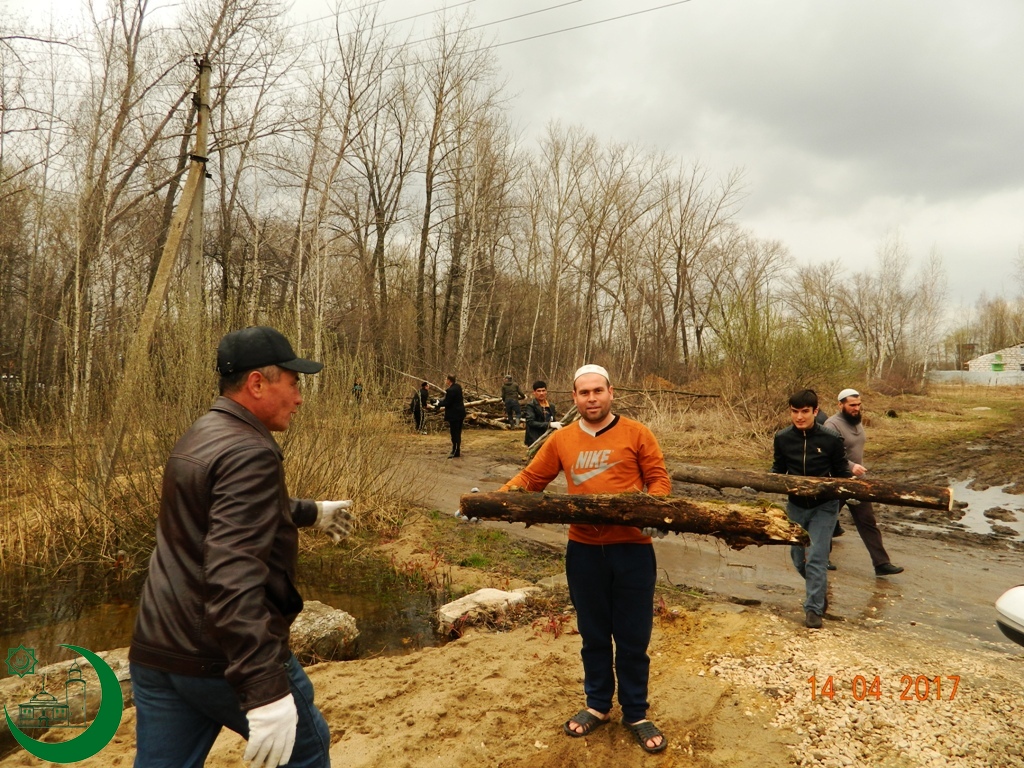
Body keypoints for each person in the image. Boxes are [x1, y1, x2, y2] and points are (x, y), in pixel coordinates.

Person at [129, 326, 355, 768]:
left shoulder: (203, 433)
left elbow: (221, 512)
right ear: (257, 383)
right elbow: (233, 576)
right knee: (306, 751)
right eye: (293, 384)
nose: (299, 398)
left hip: (158, 651)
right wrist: (267, 690)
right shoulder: (250, 451)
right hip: (218, 660)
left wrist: (311, 512)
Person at [499, 364, 670, 754]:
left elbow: (658, 478)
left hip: (633, 550)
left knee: (632, 637)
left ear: (611, 392)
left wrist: (656, 511)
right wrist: (491, 500)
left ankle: (636, 712)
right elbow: (530, 479)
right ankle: (597, 705)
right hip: (584, 551)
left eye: (597, 391)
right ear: (574, 399)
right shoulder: (563, 440)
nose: (591, 398)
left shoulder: (637, 433)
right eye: (584, 393)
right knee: (593, 635)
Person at [771, 388, 851, 629]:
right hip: (795, 506)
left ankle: (813, 609)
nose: (799, 417)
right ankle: (818, 591)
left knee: (816, 557)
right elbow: (777, 470)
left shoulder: (831, 439)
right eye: (795, 412)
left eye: (805, 411)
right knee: (798, 559)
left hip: (824, 507)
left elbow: (843, 474)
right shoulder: (782, 438)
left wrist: (850, 494)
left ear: (816, 411)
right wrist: (757, 484)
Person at [824, 388, 904, 576]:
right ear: (840, 405)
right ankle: (819, 558)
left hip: (858, 482)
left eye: (858, 404)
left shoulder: (856, 422)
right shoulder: (831, 425)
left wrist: (857, 470)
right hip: (837, 481)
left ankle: (881, 564)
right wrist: (850, 466)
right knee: (826, 521)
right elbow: (830, 454)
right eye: (852, 405)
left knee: (868, 522)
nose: (856, 408)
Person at [522, 380, 561, 446]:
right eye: (539, 391)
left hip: (548, 438)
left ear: (546, 392)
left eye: (543, 391)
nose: (541, 393)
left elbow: (553, 420)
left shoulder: (551, 406)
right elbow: (531, 422)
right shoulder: (531, 406)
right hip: (535, 439)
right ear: (534, 392)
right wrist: (550, 424)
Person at [436, 373, 466, 458]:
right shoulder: (458, 387)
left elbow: (447, 402)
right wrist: (440, 401)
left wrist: (438, 403)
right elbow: (451, 400)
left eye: (446, 379)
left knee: (454, 433)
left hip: (454, 415)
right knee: (458, 432)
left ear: (449, 381)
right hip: (460, 413)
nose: (446, 381)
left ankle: (455, 451)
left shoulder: (450, 390)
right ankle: (457, 450)